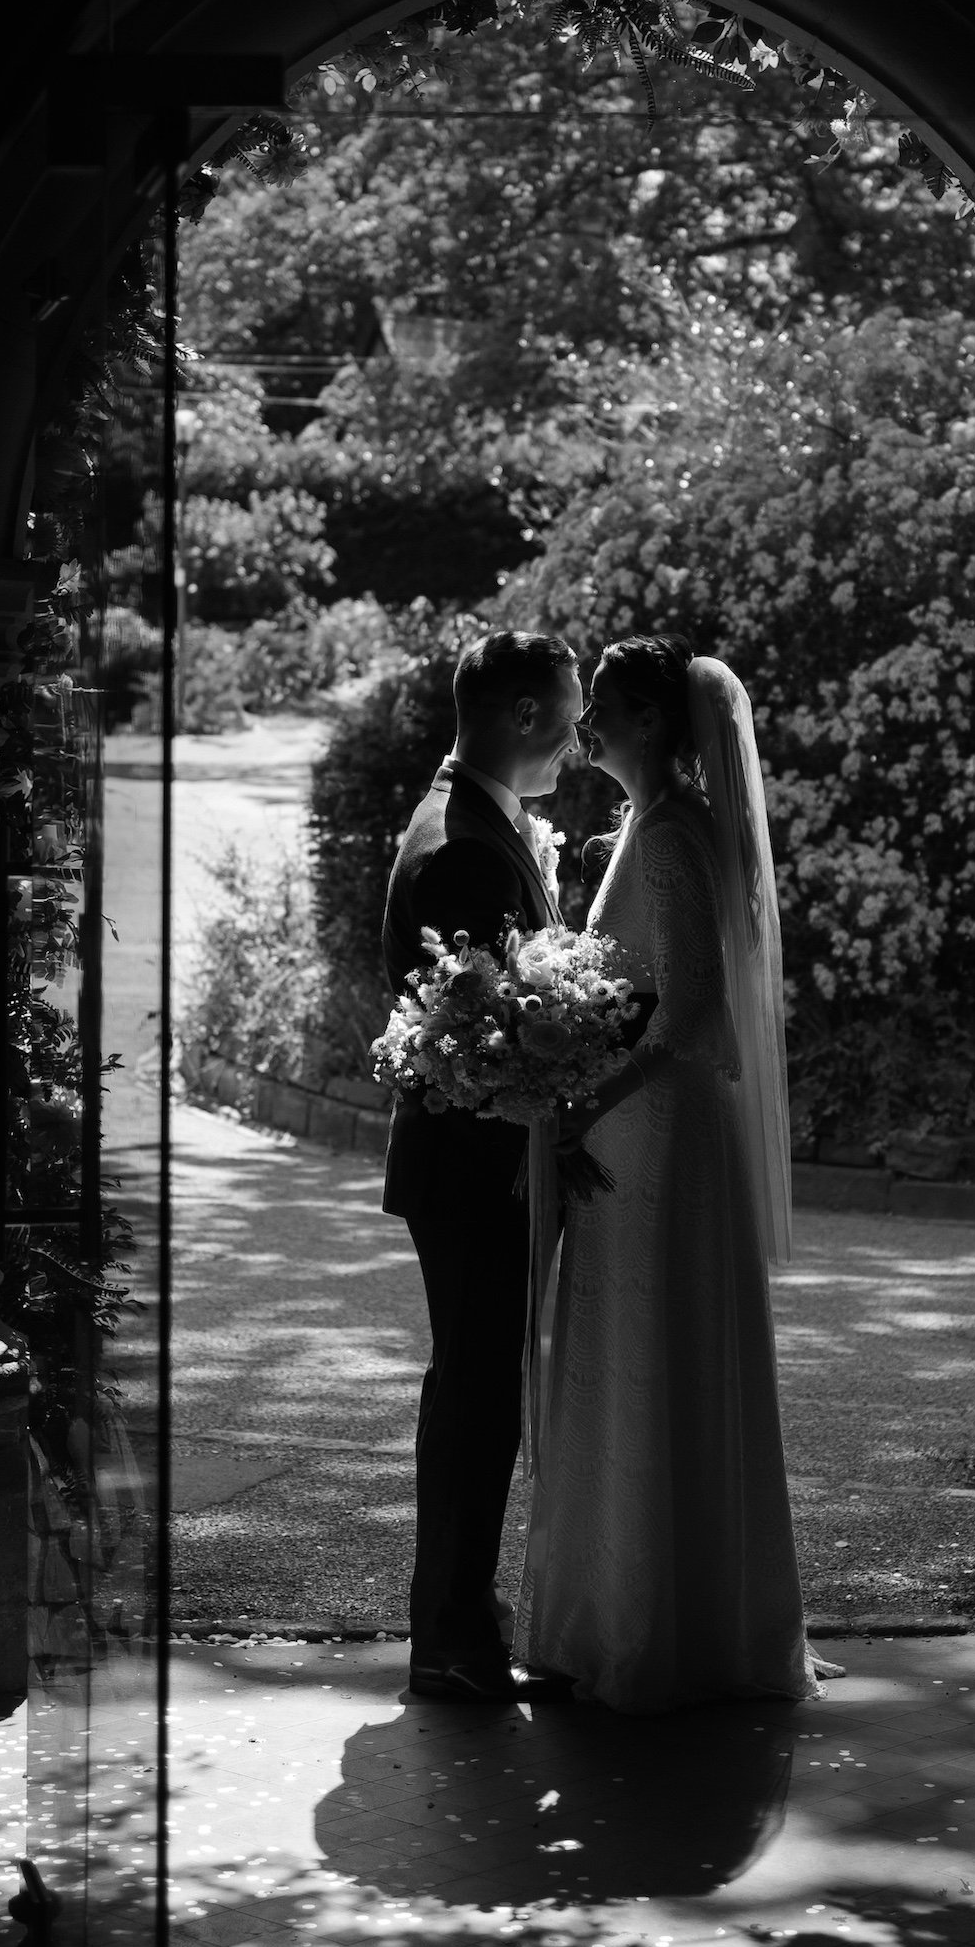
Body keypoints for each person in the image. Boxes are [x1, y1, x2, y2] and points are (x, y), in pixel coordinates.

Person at [520, 636, 814, 1712]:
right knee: (630, 1357)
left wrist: (582, 1100)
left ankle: (659, 1628)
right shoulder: (649, 826)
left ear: (647, 720)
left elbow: (689, 1007)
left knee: (651, 1356)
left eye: (600, 705)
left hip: (654, 1133)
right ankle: (630, 1610)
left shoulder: (669, 838)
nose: (584, 723)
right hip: (636, 1129)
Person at [380, 627, 583, 1703]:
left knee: (474, 1390)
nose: (576, 733)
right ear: (520, 715)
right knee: (472, 1399)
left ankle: (458, 1622)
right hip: (470, 1169)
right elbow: (482, 1037)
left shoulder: (473, 818)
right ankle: (450, 1638)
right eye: (568, 708)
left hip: (471, 1163)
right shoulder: (460, 845)